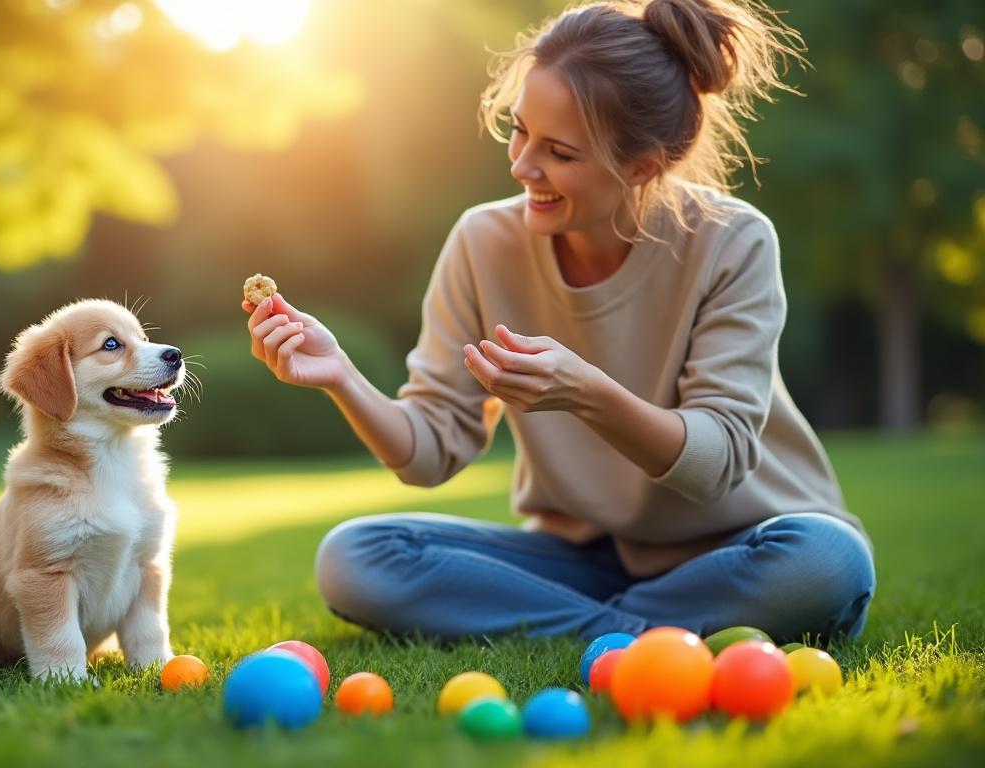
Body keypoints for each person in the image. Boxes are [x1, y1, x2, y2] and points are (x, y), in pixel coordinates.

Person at [241, 0, 874, 644]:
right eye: (519, 131)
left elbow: (716, 462)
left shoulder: (732, 241)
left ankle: (587, 624)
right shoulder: (483, 242)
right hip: (582, 560)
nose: (522, 166)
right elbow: (429, 452)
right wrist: (342, 377)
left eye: (560, 153)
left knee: (830, 560)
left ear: (642, 165)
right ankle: (638, 633)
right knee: (357, 556)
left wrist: (588, 393)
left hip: (740, 547)